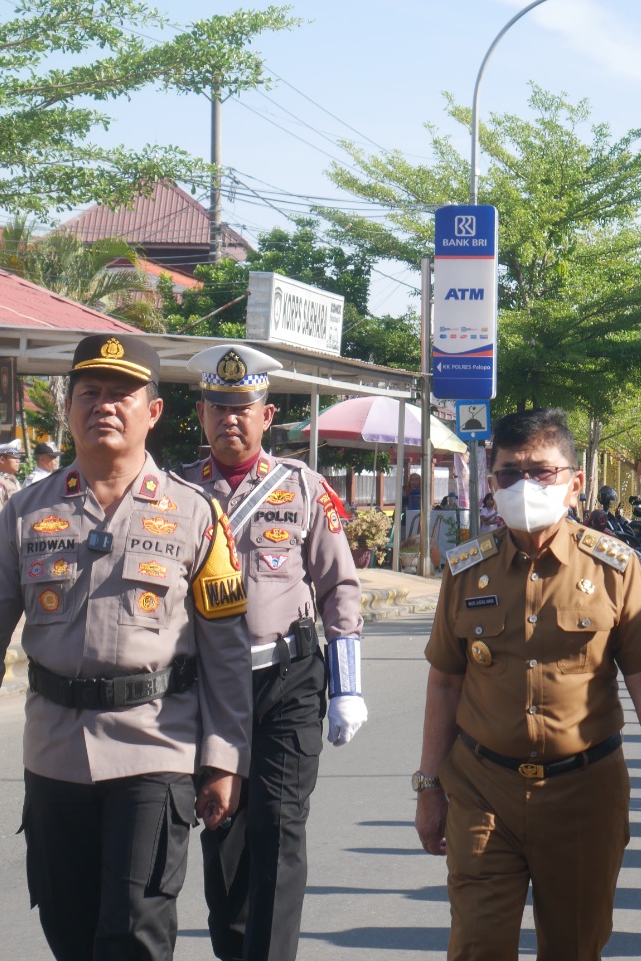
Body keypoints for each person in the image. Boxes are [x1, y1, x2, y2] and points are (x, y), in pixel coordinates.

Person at [0, 334, 253, 961]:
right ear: (68, 408)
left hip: (155, 746)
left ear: (153, 411)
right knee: (69, 931)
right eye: (89, 392)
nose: (104, 406)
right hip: (55, 754)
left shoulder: (197, 514)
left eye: (122, 394)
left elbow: (225, 650)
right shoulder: (24, 513)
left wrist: (224, 757)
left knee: (135, 932)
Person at [414, 407, 641, 961]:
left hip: (583, 793)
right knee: (476, 946)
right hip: (483, 790)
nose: (525, 484)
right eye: (510, 473)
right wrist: (428, 785)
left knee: (574, 947)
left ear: (575, 481)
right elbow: (444, 684)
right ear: (492, 484)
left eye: (541, 471)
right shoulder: (466, 571)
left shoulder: (614, 568)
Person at [184, 342, 368, 961]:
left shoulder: (303, 489)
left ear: (266, 415)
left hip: (287, 677)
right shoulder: (175, 492)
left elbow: (339, 587)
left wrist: (347, 687)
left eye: (243, 408)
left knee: (281, 825)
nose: (229, 419)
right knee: (223, 825)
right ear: (201, 414)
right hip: (209, 687)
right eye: (218, 407)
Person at [0, 440, 23, 524]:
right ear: (2, 460)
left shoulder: (14, 481)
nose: (18, 461)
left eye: (18, 458)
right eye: (14, 457)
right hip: (5, 529)